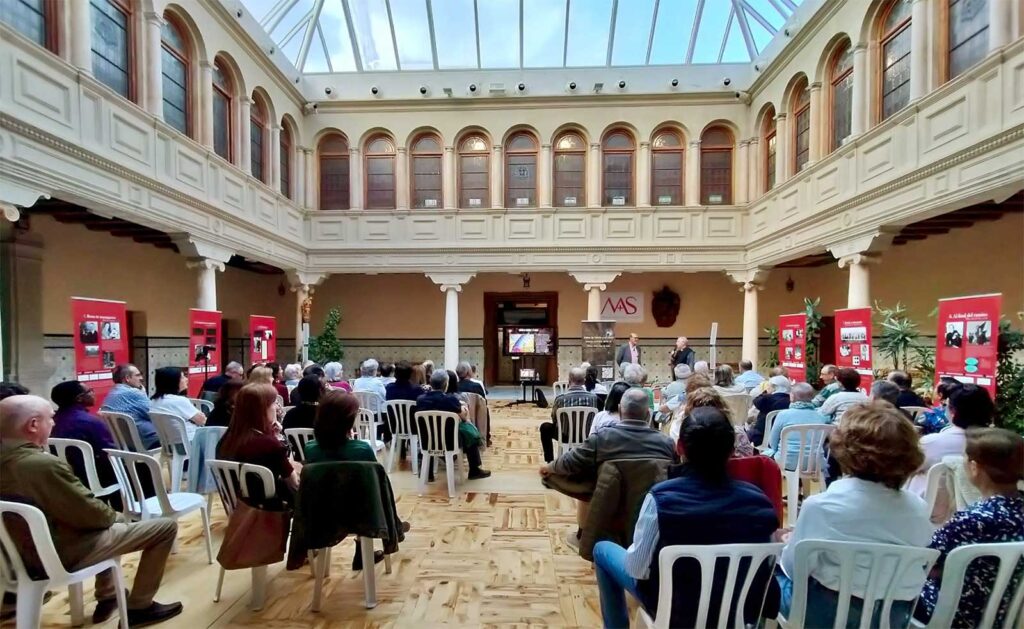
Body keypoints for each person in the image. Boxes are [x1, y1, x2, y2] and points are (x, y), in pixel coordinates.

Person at [0, 395, 183, 625]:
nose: (54, 423)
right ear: (33, 424)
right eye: (50, 418)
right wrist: (119, 518)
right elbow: (94, 516)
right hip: (57, 553)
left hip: (14, 556)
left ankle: (109, 595)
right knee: (163, 527)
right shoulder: (41, 465)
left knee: (104, 526)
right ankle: (140, 606)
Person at [592, 406, 778, 629]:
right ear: (731, 450)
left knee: (601, 549)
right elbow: (767, 568)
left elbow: (636, 569)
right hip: (740, 612)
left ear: (679, 446)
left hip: (674, 611)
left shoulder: (661, 498)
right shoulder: (759, 501)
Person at [777, 402, 930, 627]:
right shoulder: (919, 508)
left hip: (827, 614)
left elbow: (794, 569)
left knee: (772, 574)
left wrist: (788, 543)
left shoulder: (822, 506)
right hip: (893, 616)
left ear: (843, 449)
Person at [914, 428, 1024, 627]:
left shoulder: (972, 520)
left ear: (974, 467)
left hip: (955, 616)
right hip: (1006, 615)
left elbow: (925, 563)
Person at [540, 388, 675, 551]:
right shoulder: (666, 443)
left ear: (620, 410)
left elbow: (572, 461)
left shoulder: (603, 438)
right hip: (653, 523)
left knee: (589, 480)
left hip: (609, 517)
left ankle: (583, 536)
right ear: (648, 414)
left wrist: (549, 468)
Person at [303, 391, 411, 569]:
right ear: (348, 421)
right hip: (364, 516)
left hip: (323, 513)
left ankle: (368, 549)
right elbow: (375, 484)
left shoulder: (310, 449)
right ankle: (394, 527)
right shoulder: (362, 450)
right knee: (365, 492)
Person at [217, 383, 301, 501]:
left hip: (237, 504)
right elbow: (294, 484)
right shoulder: (269, 444)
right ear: (262, 409)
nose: (277, 408)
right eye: (274, 403)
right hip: (269, 506)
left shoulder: (227, 438)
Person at [907, 384, 994, 496]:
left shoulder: (931, 443)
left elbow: (906, 469)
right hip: (982, 500)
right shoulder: (999, 444)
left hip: (933, 504)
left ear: (953, 411)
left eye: (946, 406)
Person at [415, 370, 491, 479]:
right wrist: (464, 409)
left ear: (431, 383)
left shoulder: (420, 400)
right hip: (450, 442)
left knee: (430, 430)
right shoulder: (450, 400)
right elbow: (464, 417)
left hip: (426, 441)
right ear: (446, 384)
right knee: (469, 432)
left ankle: (428, 473)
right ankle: (474, 470)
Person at [50, 380, 117, 486]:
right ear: (79, 398)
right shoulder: (90, 422)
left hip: (63, 476)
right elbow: (109, 451)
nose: (93, 393)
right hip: (94, 478)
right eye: (90, 391)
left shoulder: (51, 421)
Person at [539, 367, 601, 462]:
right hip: (587, 436)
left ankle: (550, 461)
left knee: (545, 427)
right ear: (584, 381)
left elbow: (554, 418)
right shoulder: (594, 398)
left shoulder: (560, 399)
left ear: (569, 380)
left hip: (565, 436)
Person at [762, 382, 828, 471]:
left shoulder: (783, 415)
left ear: (792, 397)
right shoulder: (821, 416)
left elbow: (773, 442)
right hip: (816, 463)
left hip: (787, 462)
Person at [102, 363, 159, 449]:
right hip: (148, 442)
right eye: (138, 375)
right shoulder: (134, 393)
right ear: (127, 378)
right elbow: (156, 416)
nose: (141, 378)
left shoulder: (111, 393)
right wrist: (142, 393)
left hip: (126, 445)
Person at [149, 366, 207, 441]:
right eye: (182, 377)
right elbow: (202, 421)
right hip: (191, 442)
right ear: (173, 381)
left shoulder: (153, 402)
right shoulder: (179, 401)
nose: (186, 379)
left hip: (170, 444)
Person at [749, 375, 791, 446]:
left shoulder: (766, 399)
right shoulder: (791, 400)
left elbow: (756, 401)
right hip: (783, 436)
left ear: (774, 387)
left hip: (763, 435)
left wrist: (766, 392)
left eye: (769, 386)